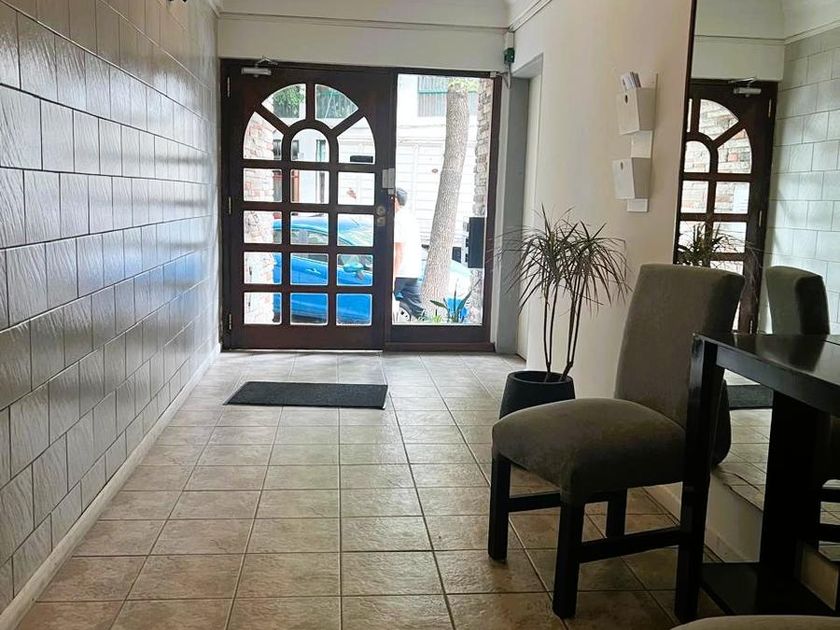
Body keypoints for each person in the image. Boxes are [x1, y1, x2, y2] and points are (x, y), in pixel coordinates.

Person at [392, 187, 425, 319]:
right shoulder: (411, 218)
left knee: (380, 302)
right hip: (412, 271)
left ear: (395, 200)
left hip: (400, 272)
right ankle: (430, 327)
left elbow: (399, 251)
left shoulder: (398, 219)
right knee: (418, 310)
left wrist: (392, 276)